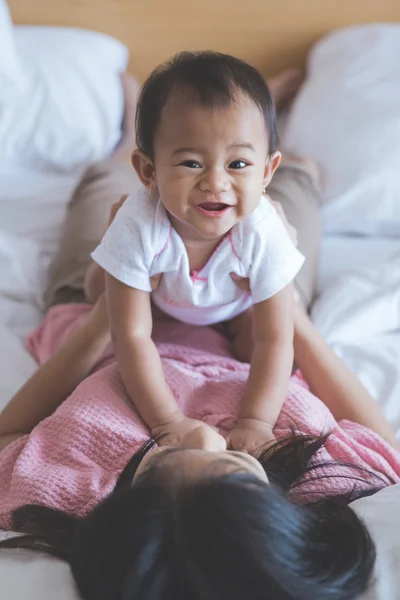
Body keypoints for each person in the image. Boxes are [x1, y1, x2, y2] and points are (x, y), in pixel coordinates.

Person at [0, 66, 398, 600]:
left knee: (106, 193)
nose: (204, 434)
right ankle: (265, 157)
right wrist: (276, 352)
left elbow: (9, 435)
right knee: (286, 204)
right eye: (235, 459)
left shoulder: (77, 478)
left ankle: (136, 144)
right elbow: (385, 448)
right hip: (236, 315)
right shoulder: (308, 470)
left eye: (163, 457)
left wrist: (109, 313)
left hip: (106, 324)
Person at [89, 51, 306, 454]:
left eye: (238, 163)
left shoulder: (262, 230)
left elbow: (276, 338)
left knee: (301, 187)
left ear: (265, 172)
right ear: (149, 172)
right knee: (88, 283)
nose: (215, 183)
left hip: (237, 303)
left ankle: (281, 136)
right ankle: (126, 134)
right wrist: (166, 421)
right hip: (163, 293)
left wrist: (256, 422)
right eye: (191, 163)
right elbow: (131, 335)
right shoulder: (139, 223)